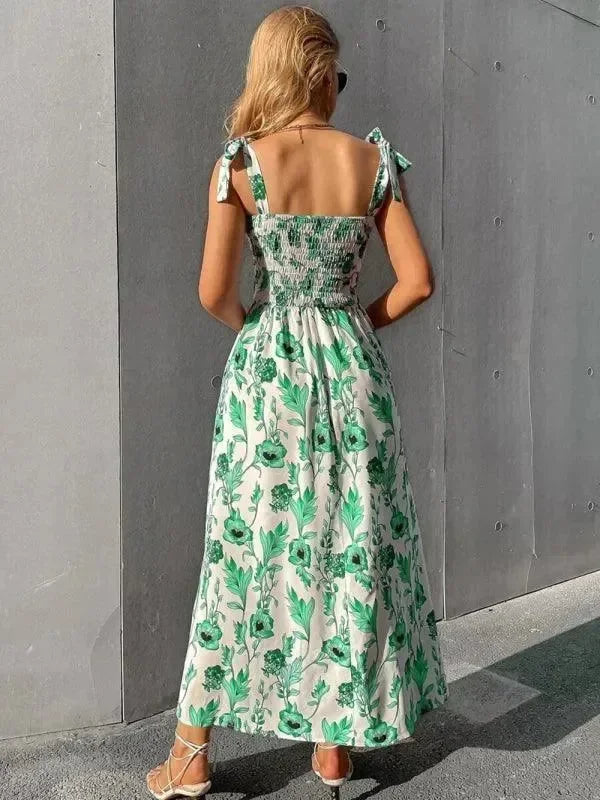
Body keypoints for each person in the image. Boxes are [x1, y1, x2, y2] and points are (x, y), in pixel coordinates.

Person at [146, 5, 449, 799]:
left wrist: (262, 329)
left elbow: (213, 292)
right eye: (335, 75)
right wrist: (352, 323)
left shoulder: (241, 165)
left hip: (269, 375)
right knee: (349, 546)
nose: (340, 88)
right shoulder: (372, 161)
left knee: (242, 549)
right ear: (316, 74)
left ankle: (191, 754)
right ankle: (333, 747)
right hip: (354, 370)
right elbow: (417, 282)